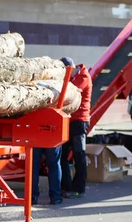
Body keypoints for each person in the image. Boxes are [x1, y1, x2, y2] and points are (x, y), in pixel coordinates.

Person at [60, 57, 92, 199]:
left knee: (79, 156)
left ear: (70, 68)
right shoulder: (75, 76)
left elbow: (70, 92)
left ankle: (79, 188)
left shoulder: (83, 76)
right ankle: (66, 187)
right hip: (69, 120)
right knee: (63, 156)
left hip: (79, 121)